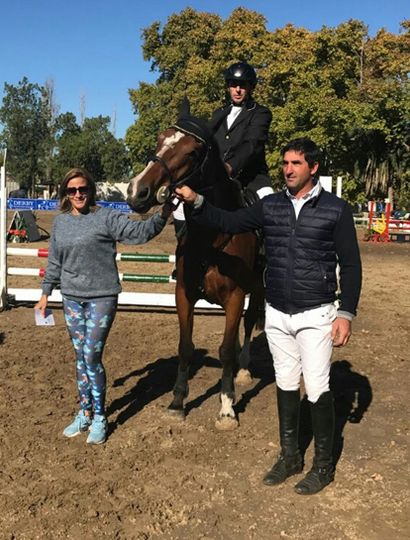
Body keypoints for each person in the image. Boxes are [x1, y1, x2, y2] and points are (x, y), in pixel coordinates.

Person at [175, 138, 362, 495]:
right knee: (287, 385)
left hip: (317, 313)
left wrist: (346, 312)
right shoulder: (271, 205)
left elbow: (351, 265)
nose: (288, 169)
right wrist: (197, 201)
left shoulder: (336, 209)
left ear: (313, 167)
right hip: (277, 312)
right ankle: (290, 456)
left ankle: (323, 465)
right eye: (285, 163)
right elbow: (227, 219)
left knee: (318, 387)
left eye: (295, 163)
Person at [35, 167, 172, 445]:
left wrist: (164, 215)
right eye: (72, 190)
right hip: (71, 298)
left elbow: (138, 232)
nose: (78, 194)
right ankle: (84, 412)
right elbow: (55, 261)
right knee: (79, 357)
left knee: (91, 356)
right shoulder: (61, 223)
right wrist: (45, 293)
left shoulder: (106, 217)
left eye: (82, 189)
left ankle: (100, 416)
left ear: (91, 190)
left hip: (102, 297)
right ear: (65, 193)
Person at [210, 61, 274, 202]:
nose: (237, 90)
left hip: (251, 178)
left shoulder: (260, 113)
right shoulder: (218, 114)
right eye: (233, 85)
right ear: (228, 87)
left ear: (250, 87)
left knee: (270, 204)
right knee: (180, 207)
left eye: (242, 85)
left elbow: (252, 143)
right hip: (217, 176)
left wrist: (229, 166)